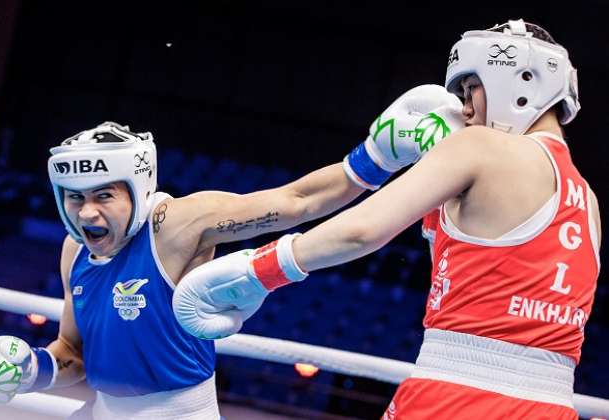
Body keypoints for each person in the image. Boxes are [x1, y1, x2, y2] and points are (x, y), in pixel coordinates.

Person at [0, 85, 464, 419]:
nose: (88, 213)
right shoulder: (75, 253)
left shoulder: (177, 225)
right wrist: (31, 369)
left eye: (104, 195)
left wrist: (376, 156)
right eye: (77, 198)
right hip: (101, 409)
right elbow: (75, 354)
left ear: (137, 187)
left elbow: (296, 202)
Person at [174, 19, 600, 419]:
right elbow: (476, 272)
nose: (466, 109)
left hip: (455, 395)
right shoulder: (587, 200)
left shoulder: (480, 147)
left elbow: (362, 231)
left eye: (471, 89)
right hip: (551, 406)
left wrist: (258, 270)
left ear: (520, 82)